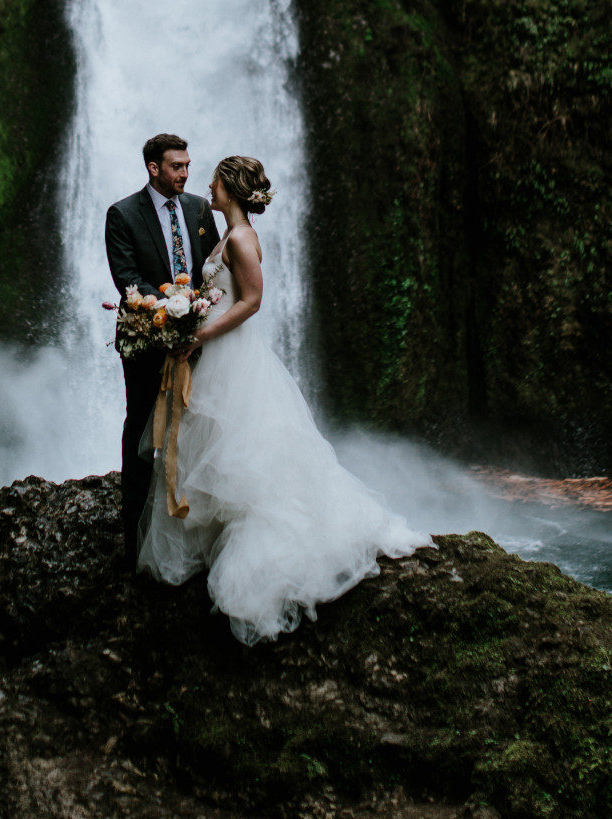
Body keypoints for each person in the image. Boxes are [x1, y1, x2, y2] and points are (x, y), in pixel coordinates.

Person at [136, 153, 429, 642]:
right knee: (209, 451)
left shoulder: (243, 238)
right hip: (214, 358)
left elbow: (252, 302)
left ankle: (259, 553)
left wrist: (200, 335)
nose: (207, 190)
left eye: (213, 184)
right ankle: (211, 543)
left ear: (230, 188)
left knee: (241, 456)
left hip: (232, 359)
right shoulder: (228, 236)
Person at [105, 134, 222, 570]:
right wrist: (176, 308)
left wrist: (200, 313)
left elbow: (212, 265)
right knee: (141, 430)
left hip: (197, 340)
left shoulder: (197, 208)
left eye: (188, 165)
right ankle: (134, 541)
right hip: (146, 340)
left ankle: (193, 537)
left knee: (197, 428)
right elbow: (127, 278)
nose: (186, 174)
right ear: (154, 168)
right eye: (177, 166)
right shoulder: (122, 214)